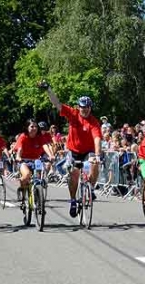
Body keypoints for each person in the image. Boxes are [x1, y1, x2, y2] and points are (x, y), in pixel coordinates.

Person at [40, 81, 102, 218]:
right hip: (74, 151)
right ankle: (73, 200)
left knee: (95, 163)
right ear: (78, 107)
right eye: (82, 107)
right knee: (74, 174)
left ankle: (91, 188)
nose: (85, 110)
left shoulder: (93, 121)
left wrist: (97, 154)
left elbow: (97, 138)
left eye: (87, 107)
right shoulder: (73, 114)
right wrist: (49, 90)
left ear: (91, 108)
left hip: (88, 150)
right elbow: (57, 104)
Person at [15, 119, 54, 188]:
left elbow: (44, 145)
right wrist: (18, 156)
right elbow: (20, 148)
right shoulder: (23, 136)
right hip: (24, 160)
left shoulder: (39, 136)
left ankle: (38, 191)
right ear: (27, 127)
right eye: (32, 126)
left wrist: (50, 155)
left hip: (36, 160)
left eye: (36, 126)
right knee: (27, 175)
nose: (34, 128)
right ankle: (21, 186)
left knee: (38, 177)